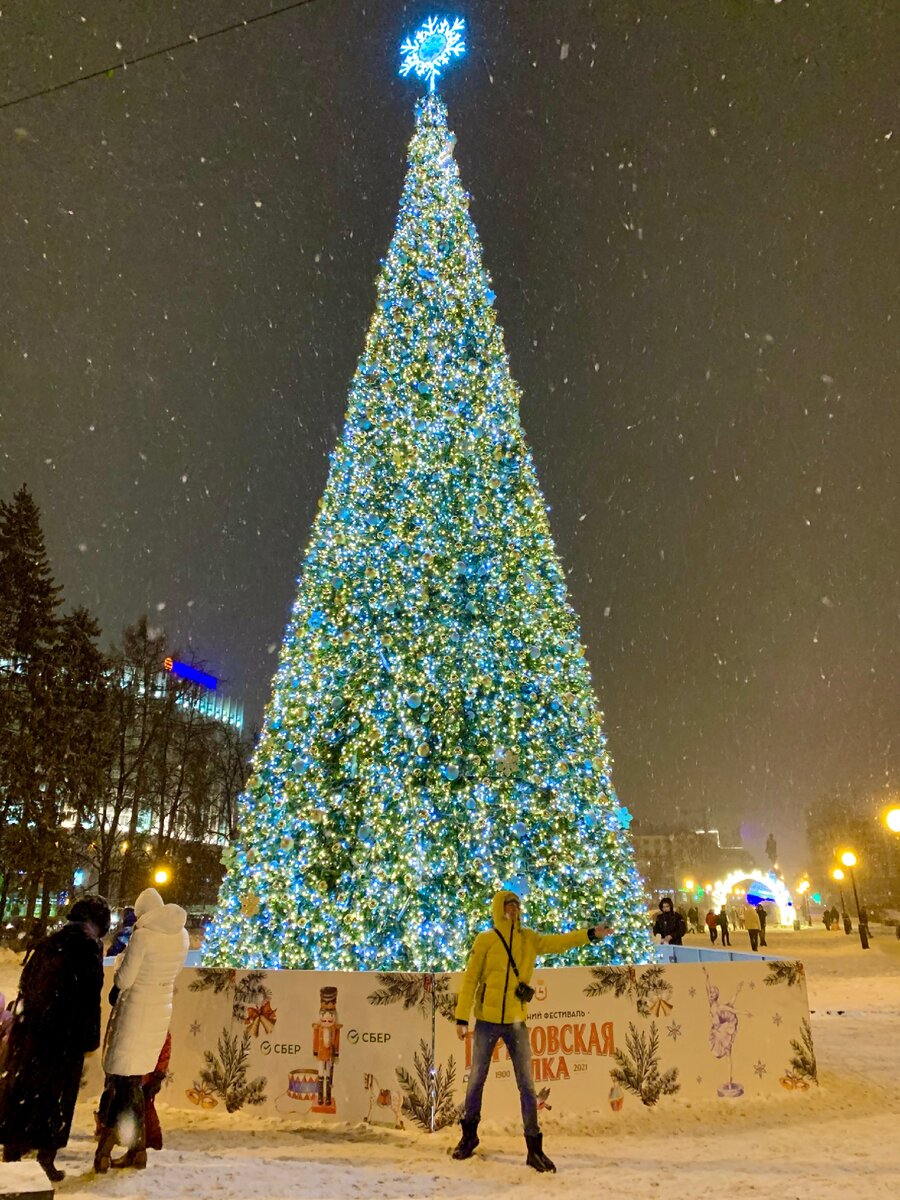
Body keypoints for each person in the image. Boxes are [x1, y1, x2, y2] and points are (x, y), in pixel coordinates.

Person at [452, 890, 611, 1173]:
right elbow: (471, 979)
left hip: (516, 1021)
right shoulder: (486, 940)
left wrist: (589, 934)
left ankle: (534, 1147)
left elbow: (560, 942)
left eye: (517, 906)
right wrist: (462, 1018)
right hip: (487, 1021)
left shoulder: (529, 940)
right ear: (499, 909)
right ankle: (469, 1135)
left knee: (527, 1084)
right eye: (508, 906)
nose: (514, 910)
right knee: (476, 1079)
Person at [0, 895, 111, 1182]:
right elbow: (89, 999)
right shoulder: (88, 948)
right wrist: (89, 1040)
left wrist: (24, 1021)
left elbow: (26, 983)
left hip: (31, 1032)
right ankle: (45, 1157)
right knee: (57, 1098)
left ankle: (13, 1149)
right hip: (63, 1037)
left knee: (23, 1090)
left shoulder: (50, 942)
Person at [95, 888, 188, 1172]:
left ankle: (111, 1145)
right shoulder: (181, 936)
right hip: (159, 1012)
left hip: (135, 1012)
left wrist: (122, 961)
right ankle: (134, 1150)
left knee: (124, 1081)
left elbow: (124, 980)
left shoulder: (143, 936)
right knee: (133, 1082)